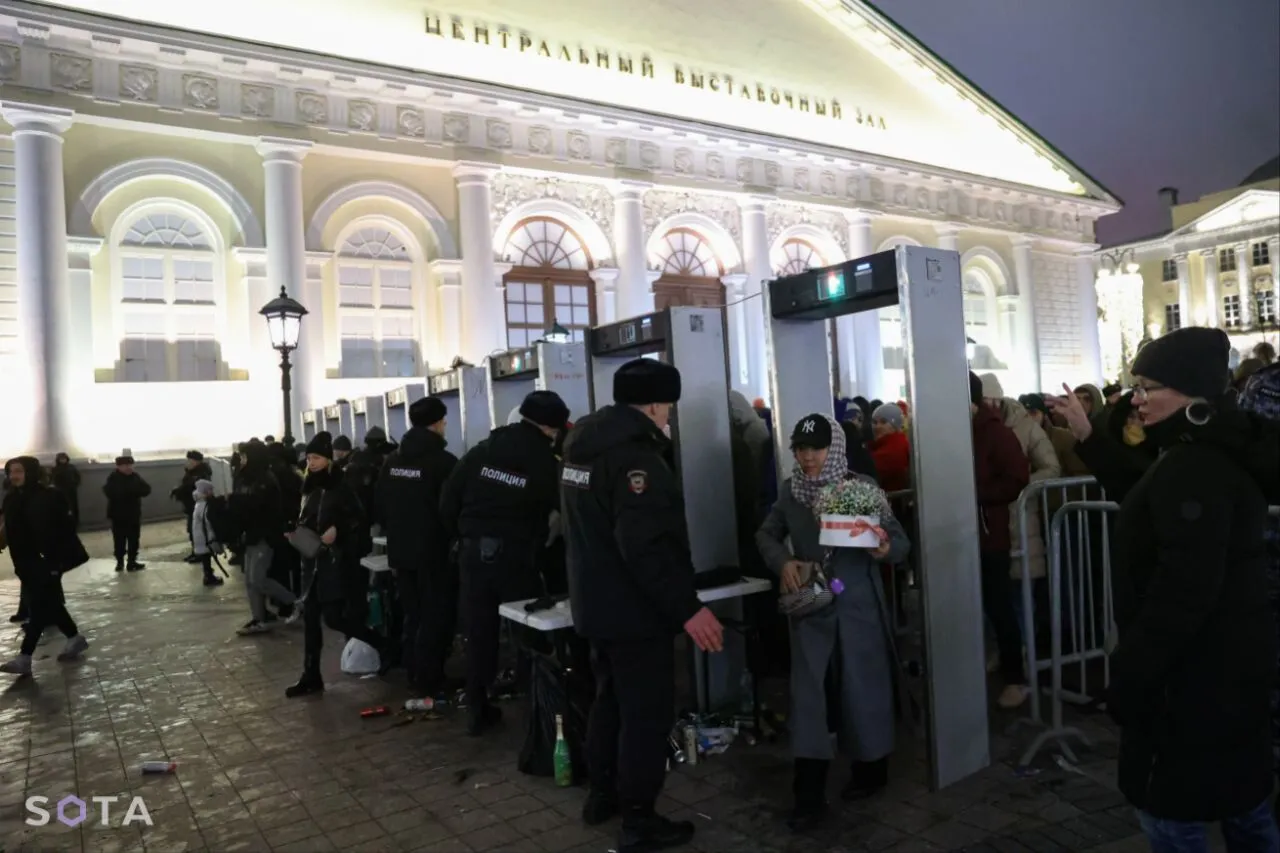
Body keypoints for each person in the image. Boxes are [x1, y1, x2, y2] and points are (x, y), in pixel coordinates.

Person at [1105, 328, 1279, 852]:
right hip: (1227, 675)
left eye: (1146, 387)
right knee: (1245, 808)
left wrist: (1133, 671)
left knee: (1173, 817)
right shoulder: (1206, 451)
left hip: (1188, 687)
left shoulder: (1194, 466)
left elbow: (1183, 592)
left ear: (1188, 392)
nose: (1135, 399)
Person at [561, 358, 724, 853]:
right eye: (667, 407)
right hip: (635, 613)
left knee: (609, 702)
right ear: (652, 405)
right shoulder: (637, 460)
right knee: (646, 717)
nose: (669, 416)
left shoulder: (581, 449)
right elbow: (646, 547)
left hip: (595, 605)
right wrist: (687, 608)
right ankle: (638, 820)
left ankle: (602, 795)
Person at [756, 414, 910, 831]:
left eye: (817, 448)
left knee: (863, 691)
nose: (808, 457)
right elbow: (766, 534)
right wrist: (783, 562)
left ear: (835, 449)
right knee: (810, 700)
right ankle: (807, 794)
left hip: (858, 608)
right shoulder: (792, 492)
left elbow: (900, 543)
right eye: (801, 449)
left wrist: (884, 548)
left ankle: (871, 770)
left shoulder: (862, 488)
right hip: (814, 610)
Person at [440, 390, 568, 735]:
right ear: (549, 428)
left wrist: (463, 535)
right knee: (526, 629)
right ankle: (535, 707)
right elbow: (562, 507)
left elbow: (448, 500)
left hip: (473, 553)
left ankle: (477, 708)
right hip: (516, 556)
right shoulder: (544, 461)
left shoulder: (481, 451)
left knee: (479, 631)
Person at [284, 432, 387, 699]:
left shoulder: (341, 487)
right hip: (312, 564)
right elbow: (309, 518)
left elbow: (359, 521)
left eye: (317, 458)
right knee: (311, 621)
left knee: (335, 618)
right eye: (309, 458)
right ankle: (311, 676)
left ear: (329, 459)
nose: (312, 462)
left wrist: (338, 531)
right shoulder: (309, 487)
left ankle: (385, 647)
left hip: (335, 564)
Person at [378, 396, 458, 699]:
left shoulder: (392, 461)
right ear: (436, 424)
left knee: (413, 614)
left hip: (401, 551)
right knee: (435, 615)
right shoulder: (444, 462)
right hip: (434, 552)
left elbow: (380, 505)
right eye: (443, 420)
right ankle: (430, 678)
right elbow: (452, 509)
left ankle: (413, 671)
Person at [969, 371, 1032, 709]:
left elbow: (1017, 477)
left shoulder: (995, 433)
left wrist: (976, 495)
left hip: (988, 535)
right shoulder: (953, 429)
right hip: (957, 532)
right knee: (973, 606)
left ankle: (1015, 678)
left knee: (999, 605)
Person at [0, 457, 89, 675]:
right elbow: (8, 528)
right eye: (11, 471)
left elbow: (65, 529)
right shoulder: (11, 498)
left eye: (19, 471)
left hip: (47, 561)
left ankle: (24, 657)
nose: (14, 476)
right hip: (24, 562)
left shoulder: (50, 496)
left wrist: (57, 561)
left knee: (38, 608)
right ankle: (74, 638)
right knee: (50, 603)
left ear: (31, 472)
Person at [233, 442, 296, 635]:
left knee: (258, 579)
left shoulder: (266, 480)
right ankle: (259, 618)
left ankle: (295, 602)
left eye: (245, 456)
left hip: (264, 536)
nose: (242, 460)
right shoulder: (245, 478)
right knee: (250, 581)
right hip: (250, 536)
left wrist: (235, 504)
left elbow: (259, 508)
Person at [102, 455, 151, 572]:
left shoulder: (135, 477)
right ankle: (119, 562)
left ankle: (131, 562)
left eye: (130, 465)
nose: (128, 468)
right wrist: (129, 492)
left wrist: (135, 491)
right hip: (118, 515)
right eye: (125, 465)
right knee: (119, 539)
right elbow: (109, 492)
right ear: (119, 467)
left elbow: (147, 489)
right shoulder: (113, 478)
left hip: (133, 514)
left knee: (134, 539)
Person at [173, 451, 211, 563]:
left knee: (199, 531)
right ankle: (195, 552)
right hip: (190, 506)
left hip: (197, 506)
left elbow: (190, 487)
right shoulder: (191, 472)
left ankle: (200, 554)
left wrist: (179, 491)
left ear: (196, 461)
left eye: (190, 460)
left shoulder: (201, 474)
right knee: (192, 530)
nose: (188, 462)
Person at [868, 402, 910, 492]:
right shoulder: (882, 445)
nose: (877, 426)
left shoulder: (894, 449)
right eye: (874, 422)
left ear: (895, 426)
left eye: (883, 422)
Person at [189, 480, 224, 587]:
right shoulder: (204, 505)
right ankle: (209, 576)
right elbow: (208, 520)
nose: (212, 492)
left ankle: (208, 574)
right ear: (205, 491)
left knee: (206, 556)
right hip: (204, 536)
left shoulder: (199, 503)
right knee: (206, 557)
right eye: (210, 490)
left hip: (200, 535)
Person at [50, 453, 81, 530]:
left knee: (73, 507)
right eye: (61, 459)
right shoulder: (56, 469)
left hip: (71, 490)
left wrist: (75, 484)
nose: (63, 460)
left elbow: (77, 477)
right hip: (61, 491)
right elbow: (54, 479)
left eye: (64, 458)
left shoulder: (71, 467)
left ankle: (75, 523)